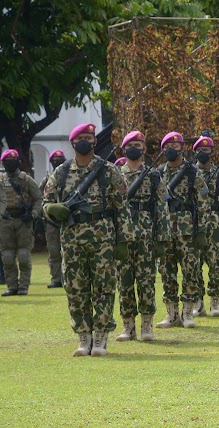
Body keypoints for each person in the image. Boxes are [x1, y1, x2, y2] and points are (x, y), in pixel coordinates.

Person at [43, 123, 135, 356]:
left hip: (103, 239)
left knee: (103, 289)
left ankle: (101, 338)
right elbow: (46, 204)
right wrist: (52, 208)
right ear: (73, 143)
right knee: (76, 290)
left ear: (95, 142)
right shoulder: (61, 172)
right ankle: (84, 338)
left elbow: (122, 208)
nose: (86, 141)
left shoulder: (108, 171)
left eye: (90, 137)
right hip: (72, 240)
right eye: (81, 137)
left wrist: (123, 239)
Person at [116, 131, 171, 342]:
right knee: (125, 281)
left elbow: (162, 206)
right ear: (124, 149)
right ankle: (128, 326)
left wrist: (161, 238)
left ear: (144, 149)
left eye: (139, 145)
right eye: (132, 145)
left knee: (146, 280)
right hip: (124, 235)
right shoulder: (116, 174)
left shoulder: (153, 175)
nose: (136, 148)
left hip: (147, 235)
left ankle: (147, 325)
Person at [156, 131, 209, 329]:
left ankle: (188, 312)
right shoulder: (158, 173)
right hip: (165, 229)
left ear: (182, 149)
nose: (172, 150)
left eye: (176, 146)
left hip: (188, 229)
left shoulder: (193, 172)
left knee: (190, 271)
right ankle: (171, 314)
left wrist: (203, 230)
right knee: (166, 271)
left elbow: (203, 203)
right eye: (169, 146)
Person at [192, 134, 219, 317]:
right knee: (193, 265)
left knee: (216, 264)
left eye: (207, 150)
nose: (203, 153)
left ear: (212, 152)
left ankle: (215, 301)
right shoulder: (189, 173)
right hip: (193, 224)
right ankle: (198, 302)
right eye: (200, 150)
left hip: (214, 224)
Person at [0, 150, 42, 297]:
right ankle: (12, 287)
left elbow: (38, 199)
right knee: (7, 256)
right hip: (5, 222)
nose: (10, 163)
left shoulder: (26, 179)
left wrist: (33, 213)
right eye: (7, 161)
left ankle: (23, 286)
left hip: (23, 221)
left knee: (24, 254)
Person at [39, 150, 66, 289]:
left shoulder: (71, 176)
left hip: (68, 219)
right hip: (51, 221)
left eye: (60, 158)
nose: (57, 161)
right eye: (55, 159)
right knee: (54, 251)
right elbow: (41, 198)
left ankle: (68, 278)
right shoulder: (47, 180)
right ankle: (56, 279)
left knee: (68, 250)